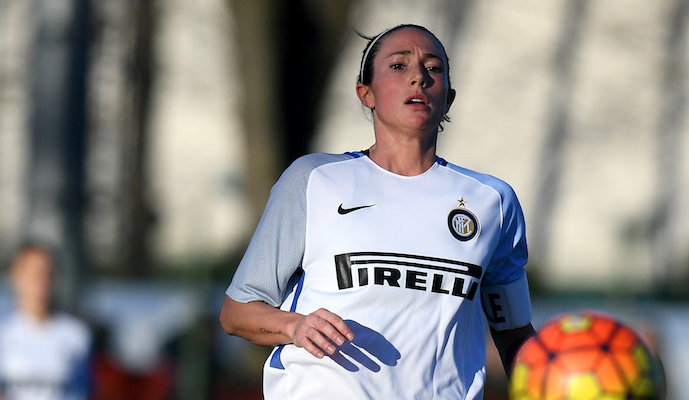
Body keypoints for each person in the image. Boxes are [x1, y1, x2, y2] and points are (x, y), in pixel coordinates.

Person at [220, 23, 535, 399]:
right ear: (366, 93)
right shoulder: (314, 180)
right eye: (399, 66)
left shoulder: (492, 201)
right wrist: (295, 326)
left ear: (448, 97)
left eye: (433, 68)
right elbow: (237, 313)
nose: (418, 77)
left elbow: (514, 334)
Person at [0, 244, 92, 400]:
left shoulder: (77, 333)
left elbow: (82, 391)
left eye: (47, 273)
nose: (41, 281)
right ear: (15, 276)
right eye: (34, 274)